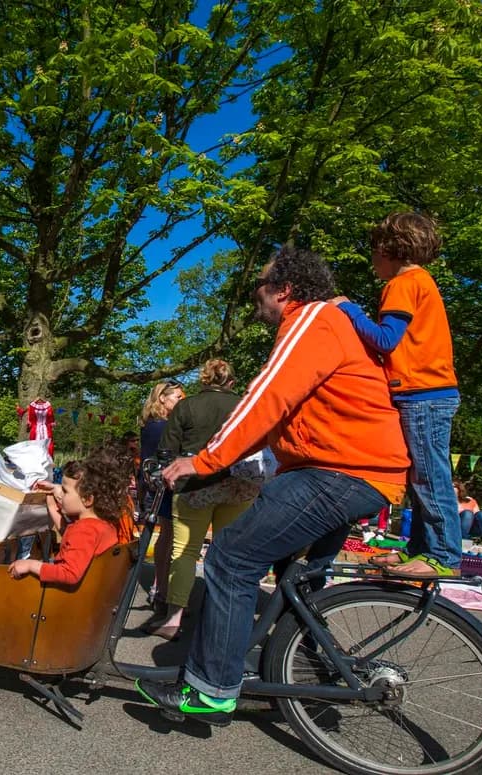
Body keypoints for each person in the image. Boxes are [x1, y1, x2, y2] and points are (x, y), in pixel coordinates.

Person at [136, 246, 409, 725]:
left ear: (284, 290)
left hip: (339, 470)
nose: (254, 300)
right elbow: (274, 419)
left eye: (259, 289)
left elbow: (266, 399)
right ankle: (309, 666)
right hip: (357, 470)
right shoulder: (334, 323)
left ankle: (213, 689)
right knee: (296, 578)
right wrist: (217, 460)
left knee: (231, 555)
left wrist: (201, 461)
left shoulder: (311, 321)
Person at [333, 211, 461, 579]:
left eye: (374, 251)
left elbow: (386, 340)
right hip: (429, 392)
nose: (372, 260)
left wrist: (348, 309)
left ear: (390, 249)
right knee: (423, 476)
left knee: (429, 478)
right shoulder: (422, 281)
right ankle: (423, 550)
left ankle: (444, 556)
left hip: (423, 394)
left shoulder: (403, 284)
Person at [143, 360, 256, 641]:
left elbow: (166, 452)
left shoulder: (186, 406)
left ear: (204, 381)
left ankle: (173, 619)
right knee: (229, 551)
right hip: (238, 484)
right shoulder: (245, 406)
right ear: (231, 382)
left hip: (194, 484)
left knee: (185, 551)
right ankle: (222, 618)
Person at [8, 443, 132, 586]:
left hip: (66, 600)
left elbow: (69, 573)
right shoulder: (101, 524)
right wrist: (52, 504)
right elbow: (69, 538)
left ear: (87, 499)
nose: (62, 494)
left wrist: (31, 565)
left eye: (65, 491)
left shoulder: (84, 531)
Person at [137, 381, 185, 617]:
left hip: (158, 484)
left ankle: (161, 585)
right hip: (160, 485)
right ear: (162, 399)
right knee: (167, 535)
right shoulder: (160, 426)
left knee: (167, 534)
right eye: (177, 397)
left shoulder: (156, 424)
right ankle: (161, 586)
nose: (181, 401)